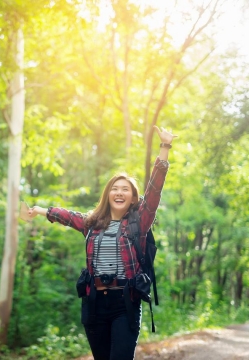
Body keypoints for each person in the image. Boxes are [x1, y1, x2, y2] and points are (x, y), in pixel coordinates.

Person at [27, 125, 177, 360]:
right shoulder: (92, 222)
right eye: (115, 189)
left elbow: (155, 190)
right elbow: (68, 216)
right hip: (94, 302)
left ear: (133, 197)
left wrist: (165, 147)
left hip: (125, 302)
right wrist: (40, 210)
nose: (119, 192)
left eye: (125, 189)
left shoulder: (140, 222)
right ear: (108, 194)